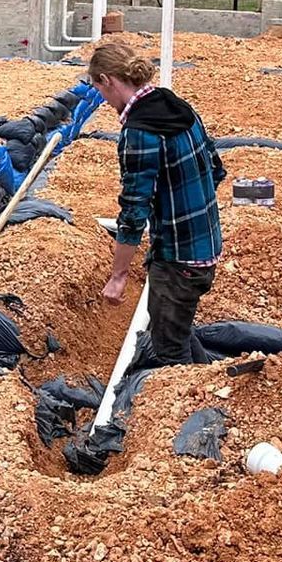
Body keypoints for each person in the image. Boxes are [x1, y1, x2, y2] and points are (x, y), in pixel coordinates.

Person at [87, 37, 225, 366]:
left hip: (177, 263)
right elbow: (216, 169)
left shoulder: (140, 132)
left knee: (169, 352)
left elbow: (134, 213)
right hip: (205, 251)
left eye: (100, 92)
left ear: (107, 80)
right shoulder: (177, 106)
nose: (104, 101)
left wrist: (119, 276)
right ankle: (206, 381)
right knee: (178, 331)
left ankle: (192, 412)